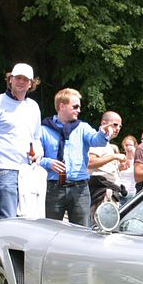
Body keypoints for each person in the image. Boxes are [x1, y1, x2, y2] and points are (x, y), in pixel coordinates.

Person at [38, 88, 113, 226]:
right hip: (53, 188)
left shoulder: (82, 127)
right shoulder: (43, 130)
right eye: (75, 106)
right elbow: (34, 158)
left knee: (82, 232)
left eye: (79, 107)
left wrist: (103, 133)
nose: (79, 110)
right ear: (61, 106)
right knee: (50, 230)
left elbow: (97, 141)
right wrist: (48, 163)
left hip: (80, 189)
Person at [0, 63, 42, 218]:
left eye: (26, 79)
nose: (21, 82)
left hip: (27, 171)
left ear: (31, 83)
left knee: (28, 217)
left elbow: (36, 137)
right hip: (5, 167)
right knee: (9, 217)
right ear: (10, 79)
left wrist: (39, 152)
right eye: (18, 78)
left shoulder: (33, 106)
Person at [89, 112, 129, 214]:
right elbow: (90, 162)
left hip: (110, 191)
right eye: (115, 124)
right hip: (102, 193)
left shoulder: (107, 144)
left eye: (120, 126)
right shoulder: (98, 142)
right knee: (102, 228)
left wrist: (119, 168)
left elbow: (103, 168)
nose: (118, 128)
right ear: (104, 123)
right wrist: (114, 156)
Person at [115, 135, 138, 205]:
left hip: (132, 194)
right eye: (126, 145)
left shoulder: (137, 161)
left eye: (130, 145)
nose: (128, 147)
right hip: (120, 194)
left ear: (135, 146)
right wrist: (119, 168)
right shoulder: (120, 159)